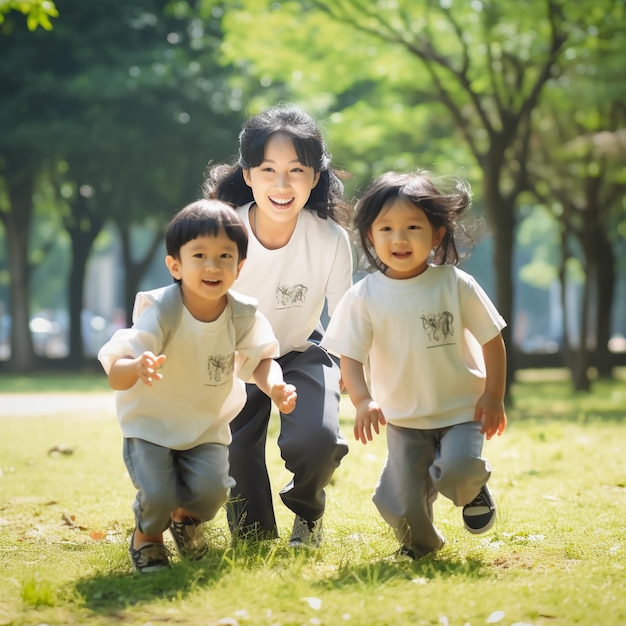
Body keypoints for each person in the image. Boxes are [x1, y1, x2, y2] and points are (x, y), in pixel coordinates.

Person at [97, 199, 297, 573]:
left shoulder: (241, 314)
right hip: (151, 426)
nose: (212, 266)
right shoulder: (163, 311)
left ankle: (186, 519)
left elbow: (263, 358)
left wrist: (275, 386)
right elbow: (115, 371)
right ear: (175, 264)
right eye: (200, 255)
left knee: (212, 493)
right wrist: (138, 366)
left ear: (240, 266)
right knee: (157, 495)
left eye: (225, 256)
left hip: (206, 428)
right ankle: (148, 538)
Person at [321, 170, 508, 559]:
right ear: (371, 236)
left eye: (412, 227)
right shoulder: (364, 296)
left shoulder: (455, 284)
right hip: (404, 419)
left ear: (436, 234)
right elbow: (350, 356)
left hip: (461, 410)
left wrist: (493, 394)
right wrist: (363, 401)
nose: (399, 238)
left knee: (458, 468)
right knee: (398, 502)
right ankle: (421, 545)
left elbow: (492, 340)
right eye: (386, 228)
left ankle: (472, 487)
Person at [203, 103, 352, 548]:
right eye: (268, 169)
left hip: (302, 350)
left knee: (319, 440)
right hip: (236, 356)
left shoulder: (330, 238)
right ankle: (254, 536)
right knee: (236, 447)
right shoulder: (223, 232)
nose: (282, 185)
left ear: (315, 176)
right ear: (248, 175)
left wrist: (355, 377)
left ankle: (308, 512)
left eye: (296, 170)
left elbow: (344, 317)